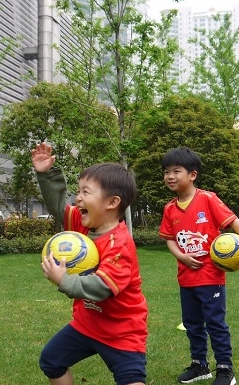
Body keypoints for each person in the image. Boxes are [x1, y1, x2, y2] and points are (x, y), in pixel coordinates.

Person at [31, 142, 148, 385]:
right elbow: (57, 207)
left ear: (111, 202)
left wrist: (64, 280)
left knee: (130, 379)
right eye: (79, 191)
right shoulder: (83, 225)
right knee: (51, 360)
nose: (78, 197)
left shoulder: (120, 244)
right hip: (87, 325)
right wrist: (46, 174)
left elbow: (102, 286)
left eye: (86, 192)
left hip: (122, 332)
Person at [159, 146, 239, 385]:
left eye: (176, 171)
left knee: (216, 323)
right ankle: (200, 365)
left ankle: (225, 369)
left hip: (211, 277)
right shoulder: (170, 208)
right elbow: (169, 239)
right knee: (192, 324)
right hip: (186, 278)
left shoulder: (208, 199)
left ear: (192, 175)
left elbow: (234, 223)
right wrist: (182, 257)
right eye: (166, 172)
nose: (170, 176)